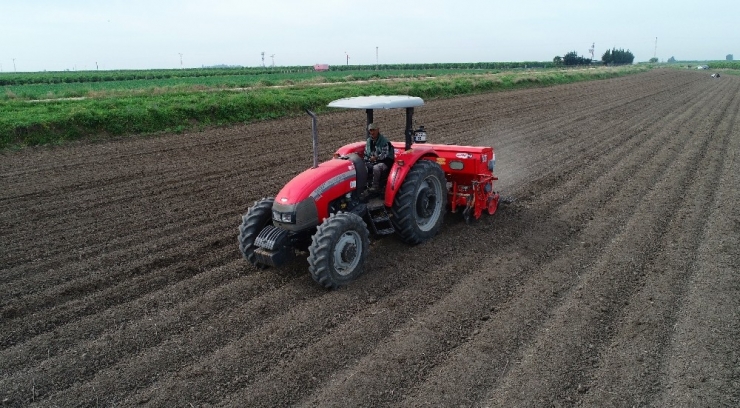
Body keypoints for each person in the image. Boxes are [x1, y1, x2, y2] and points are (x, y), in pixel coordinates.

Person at [364, 123, 394, 194]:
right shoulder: (369, 141)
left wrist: (376, 158)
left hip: (385, 161)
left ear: (378, 130)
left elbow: (384, 155)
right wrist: (367, 159)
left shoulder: (384, 141)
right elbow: (366, 152)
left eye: (373, 130)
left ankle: (375, 186)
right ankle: (364, 185)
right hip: (372, 160)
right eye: (370, 130)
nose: (372, 132)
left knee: (376, 168)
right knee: (361, 166)